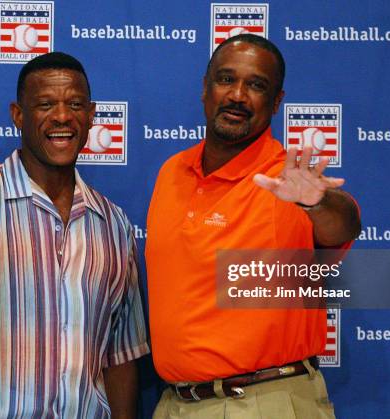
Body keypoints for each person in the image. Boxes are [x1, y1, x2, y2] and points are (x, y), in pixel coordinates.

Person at [0, 52, 149, 419]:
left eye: (75, 104)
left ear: (91, 115)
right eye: (45, 104)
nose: (62, 117)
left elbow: (121, 357)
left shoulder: (114, 223)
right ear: (18, 115)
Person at [145, 34, 361, 418]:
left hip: (263, 401)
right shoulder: (171, 171)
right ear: (205, 89)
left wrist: (316, 201)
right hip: (176, 404)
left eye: (256, 85)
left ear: (277, 102)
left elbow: (343, 225)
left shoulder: (286, 180)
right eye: (226, 79)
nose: (238, 95)